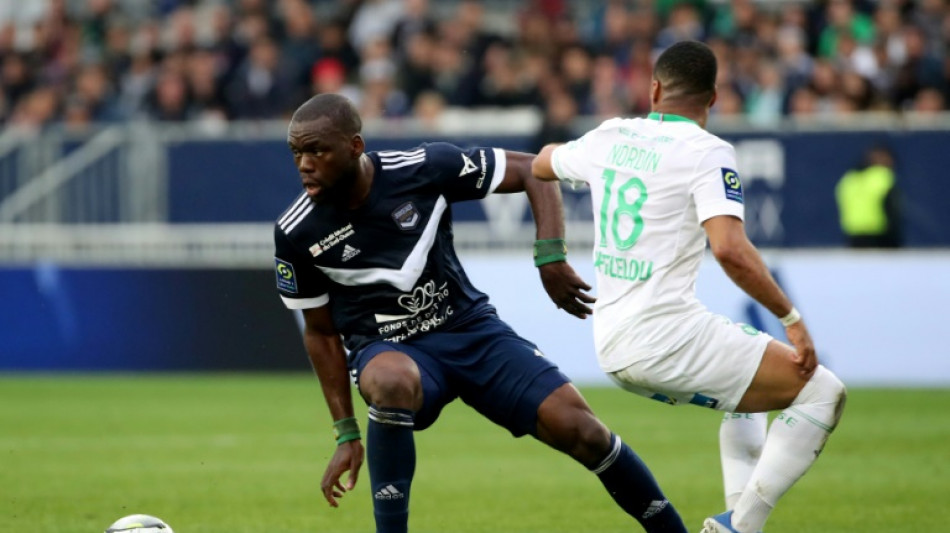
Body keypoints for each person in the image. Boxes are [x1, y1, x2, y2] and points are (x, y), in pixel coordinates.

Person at [272, 93, 687, 533]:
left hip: (470, 331)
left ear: (355, 146)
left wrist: (550, 255)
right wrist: (346, 433)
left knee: (583, 430)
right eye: (297, 152)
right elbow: (319, 333)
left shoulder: (421, 168)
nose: (305, 163)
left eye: (318, 150)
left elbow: (536, 168)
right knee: (389, 381)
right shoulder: (297, 231)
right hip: (389, 348)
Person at [531, 41, 847, 533]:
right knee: (824, 391)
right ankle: (741, 526)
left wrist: (566, 164)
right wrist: (792, 320)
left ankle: (738, 523)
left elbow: (542, 163)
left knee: (751, 400)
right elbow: (730, 250)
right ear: (714, 98)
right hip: (665, 335)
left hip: (613, 343)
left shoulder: (610, 135)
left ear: (653, 89)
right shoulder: (708, 151)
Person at [835, 144, 902, 248]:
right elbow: (892, 208)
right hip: (880, 235)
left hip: (853, 234)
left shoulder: (849, 179)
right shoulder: (882, 177)